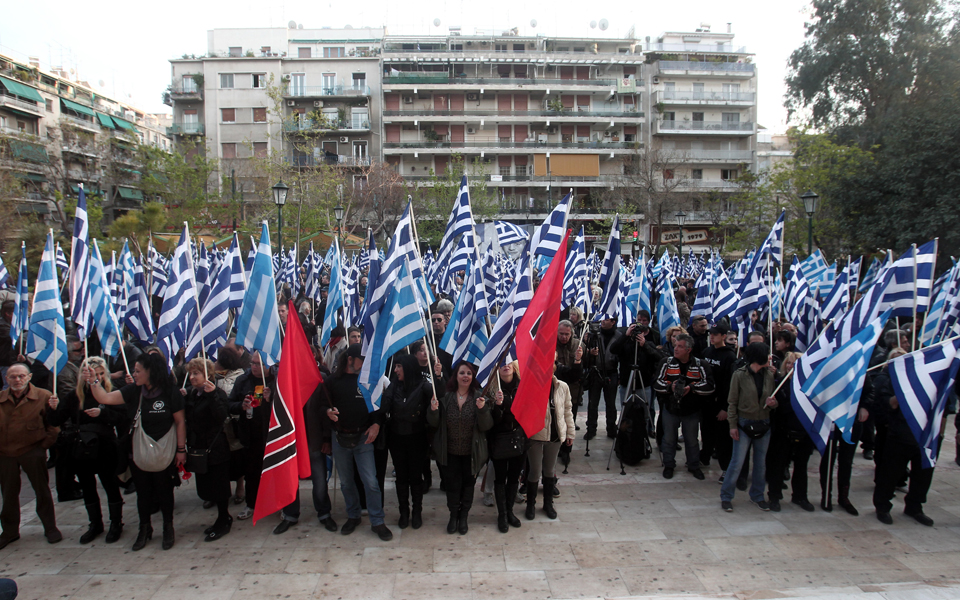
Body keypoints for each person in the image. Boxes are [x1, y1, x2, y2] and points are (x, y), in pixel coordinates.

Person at [85, 353, 186, 551]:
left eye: (138, 371)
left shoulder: (170, 392)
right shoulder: (134, 391)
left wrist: (181, 450)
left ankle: (168, 528)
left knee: (165, 492)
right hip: (138, 452)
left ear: (151, 372)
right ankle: (145, 528)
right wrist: (94, 381)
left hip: (164, 452)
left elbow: (180, 421)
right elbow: (104, 397)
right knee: (143, 494)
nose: (134, 374)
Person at [47, 357, 126, 544]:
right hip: (82, 448)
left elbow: (123, 418)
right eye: (91, 374)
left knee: (110, 484)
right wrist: (51, 408)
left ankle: (116, 523)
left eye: (99, 374)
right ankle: (95, 524)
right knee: (88, 486)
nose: (95, 377)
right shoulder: (75, 395)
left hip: (105, 446)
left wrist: (103, 413)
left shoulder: (111, 392)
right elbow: (56, 420)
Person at [322, 344, 393, 541]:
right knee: (346, 482)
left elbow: (379, 408)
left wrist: (377, 424)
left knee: (370, 482)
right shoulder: (332, 382)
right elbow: (321, 406)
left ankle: (377, 520)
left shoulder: (369, 382)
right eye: (362, 359)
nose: (365, 363)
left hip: (363, 438)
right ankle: (353, 516)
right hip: (340, 438)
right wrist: (327, 413)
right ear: (350, 359)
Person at [871, 348, 936, 526]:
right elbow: (888, 404)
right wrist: (905, 390)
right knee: (890, 473)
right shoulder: (890, 380)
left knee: (923, 475)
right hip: (899, 434)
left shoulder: (928, 379)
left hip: (923, 436)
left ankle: (914, 507)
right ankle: (882, 506)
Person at [0, 363, 62, 549]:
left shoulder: (43, 396)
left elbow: (53, 425)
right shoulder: (1, 398)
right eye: (13, 376)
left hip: (32, 450)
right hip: (5, 453)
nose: (17, 380)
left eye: (21, 376)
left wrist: (42, 447)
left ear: (29, 377)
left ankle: (50, 527)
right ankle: (10, 531)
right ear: (6, 378)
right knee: (8, 493)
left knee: (41, 490)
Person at [427, 361, 493, 535]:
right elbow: (434, 423)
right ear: (456, 376)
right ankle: (453, 515)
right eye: (462, 373)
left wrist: (482, 410)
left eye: (469, 374)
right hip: (450, 453)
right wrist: (433, 410)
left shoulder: (479, 397)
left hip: (471, 453)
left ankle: (463, 517)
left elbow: (486, 426)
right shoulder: (446, 397)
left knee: (468, 485)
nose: (465, 376)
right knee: (452, 486)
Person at [720, 342, 776, 512]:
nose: (770, 357)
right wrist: (732, 425)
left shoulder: (769, 375)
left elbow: (773, 400)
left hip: (764, 423)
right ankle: (726, 496)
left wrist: (773, 403)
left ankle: (757, 496)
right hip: (744, 423)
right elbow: (732, 402)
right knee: (737, 462)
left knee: (760, 463)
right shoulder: (739, 375)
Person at [381, 354, 433, 530]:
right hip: (397, 439)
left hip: (417, 438)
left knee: (416, 478)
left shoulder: (424, 387)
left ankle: (417, 511)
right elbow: (384, 407)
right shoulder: (394, 386)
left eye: (398, 367)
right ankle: (404, 512)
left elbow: (434, 410)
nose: (395, 370)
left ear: (408, 367)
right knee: (401, 478)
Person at [182, 359, 233, 541]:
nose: (192, 377)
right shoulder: (191, 395)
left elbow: (221, 416)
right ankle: (221, 517)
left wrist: (212, 397)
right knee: (206, 487)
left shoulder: (217, 393)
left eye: (196, 373)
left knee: (219, 486)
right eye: (191, 373)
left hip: (215, 446)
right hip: (198, 447)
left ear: (207, 375)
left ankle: (224, 518)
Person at [653, 334, 714, 480]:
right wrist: (670, 387)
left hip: (691, 410)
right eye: (675, 345)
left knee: (692, 440)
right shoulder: (666, 363)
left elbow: (710, 385)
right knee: (668, 439)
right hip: (670, 408)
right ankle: (668, 465)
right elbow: (656, 383)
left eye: (680, 346)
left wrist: (691, 388)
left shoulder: (700, 364)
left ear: (689, 349)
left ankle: (694, 465)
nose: (676, 349)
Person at [524, 357, 576, 521]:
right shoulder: (531, 386)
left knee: (549, 470)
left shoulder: (562, 387)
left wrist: (570, 432)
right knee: (535, 470)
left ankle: (548, 504)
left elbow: (568, 410)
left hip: (555, 436)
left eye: (551, 364)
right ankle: (530, 504)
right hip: (536, 436)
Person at [765, 351, 814, 512]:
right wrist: (774, 405)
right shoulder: (779, 383)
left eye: (794, 363)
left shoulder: (810, 386)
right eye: (788, 363)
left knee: (801, 466)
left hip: (803, 431)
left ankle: (800, 496)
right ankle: (774, 496)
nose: (790, 366)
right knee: (778, 465)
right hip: (782, 431)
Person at [227, 352, 273, 521]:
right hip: (250, 435)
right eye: (252, 363)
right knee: (252, 473)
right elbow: (229, 404)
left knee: (272, 472)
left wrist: (272, 398)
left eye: (258, 364)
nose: (254, 367)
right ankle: (251, 504)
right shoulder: (242, 381)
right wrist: (241, 406)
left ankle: (277, 503)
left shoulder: (275, 380)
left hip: (271, 435)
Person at [488, 362, 528, 532]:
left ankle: (510, 511)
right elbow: (491, 422)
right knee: (500, 477)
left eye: (509, 362)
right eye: (502, 363)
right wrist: (497, 406)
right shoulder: (492, 390)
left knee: (513, 477)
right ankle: (502, 514)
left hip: (518, 438)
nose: (506, 366)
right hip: (499, 440)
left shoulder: (523, 385)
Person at [700, 323, 737, 479]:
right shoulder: (706, 352)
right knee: (706, 434)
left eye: (715, 334)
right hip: (706, 402)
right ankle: (704, 457)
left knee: (723, 439)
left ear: (723, 336)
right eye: (711, 334)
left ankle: (726, 468)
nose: (712, 336)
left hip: (720, 402)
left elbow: (730, 384)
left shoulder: (729, 356)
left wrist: (725, 407)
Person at [583, 316, 625, 440]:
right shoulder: (595, 334)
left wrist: (619, 375)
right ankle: (591, 428)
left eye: (606, 320)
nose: (603, 321)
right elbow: (586, 354)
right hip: (596, 371)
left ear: (613, 322)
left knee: (611, 403)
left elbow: (622, 356)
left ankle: (611, 429)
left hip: (611, 371)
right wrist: (588, 345)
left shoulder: (618, 336)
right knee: (592, 403)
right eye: (602, 319)